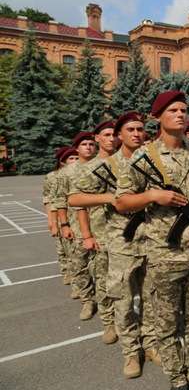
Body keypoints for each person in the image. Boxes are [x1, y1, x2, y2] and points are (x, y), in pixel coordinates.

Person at [115, 90, 189, 390]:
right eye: (173, 110)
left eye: (183, 110)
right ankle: (177, 380)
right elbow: (122, 202)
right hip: (163, 255)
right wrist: (151, 195)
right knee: (166, 323)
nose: (179, 114)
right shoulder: (144, 156)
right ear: (158, 116)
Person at [104, 112, 161, 378]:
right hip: (122, 242)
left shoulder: (153, 160)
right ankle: (130, 352)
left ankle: (150, 344)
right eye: (130, 129)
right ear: (119, 135)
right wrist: (111, 197)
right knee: (124, 301)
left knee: (151, 297)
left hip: (152, 238)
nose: (137, 133)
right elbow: (76, 196)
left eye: (140, 129)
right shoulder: (108, 164)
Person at [68, 120, 119, 345]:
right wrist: (87, 235)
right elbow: (79, 204)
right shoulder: (90, 167)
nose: (111, 138)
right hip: (101, 232)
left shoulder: (126, 162)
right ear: (97, 138)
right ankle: (108, 322)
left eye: (114, 134)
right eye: (106, 134)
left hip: (125, 233)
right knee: (103, 280)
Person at [55, 132, 98, 320]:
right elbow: (60, 201)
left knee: (102, 267)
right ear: (77, 148)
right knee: (80, 265)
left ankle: (107, 307)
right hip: (76, 226)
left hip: (101, 225)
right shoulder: (67, 172)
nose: (88, 147)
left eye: (91, 144)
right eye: (84, 144)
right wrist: (64, 224)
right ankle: (87, 300)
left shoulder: (102, 166)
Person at [44, 147, 74, 286]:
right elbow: (49, 200)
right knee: (63, 248)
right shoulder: (53, 177)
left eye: (76, 158)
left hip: (76, 217)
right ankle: (66, 271)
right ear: (62, 162)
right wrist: (52, 222)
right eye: (71, 158)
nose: (74, 161)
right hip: (62, 216)